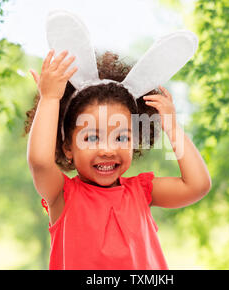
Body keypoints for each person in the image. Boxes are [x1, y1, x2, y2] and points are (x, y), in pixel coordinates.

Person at [24, 49, 211, 270]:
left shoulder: (141, 190)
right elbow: (40, 162)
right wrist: (50, 98)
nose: (108, 149)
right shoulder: (62, 195)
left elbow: (197, 185)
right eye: (92, 137)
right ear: (68, 148)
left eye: (121, 137)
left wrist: (171, 127)